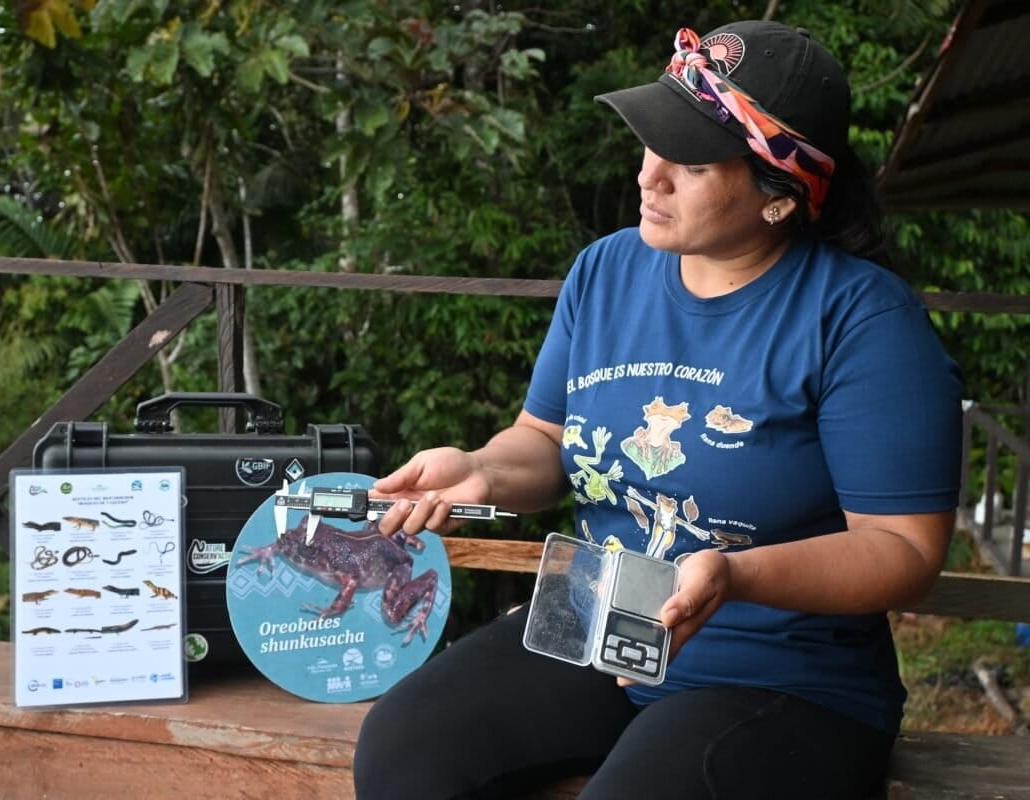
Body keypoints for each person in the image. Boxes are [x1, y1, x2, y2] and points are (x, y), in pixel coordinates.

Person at [352, 19, 963, 800]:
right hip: (598, 624)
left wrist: (734, 575)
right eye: (652, 143)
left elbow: (904, 551)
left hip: (778, 674)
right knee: (405, 747)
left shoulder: (861, 320)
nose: (651, 176)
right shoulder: (606, 271)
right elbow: (542, 438)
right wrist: (481, 469)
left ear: (779, 198)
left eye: (692, 162)